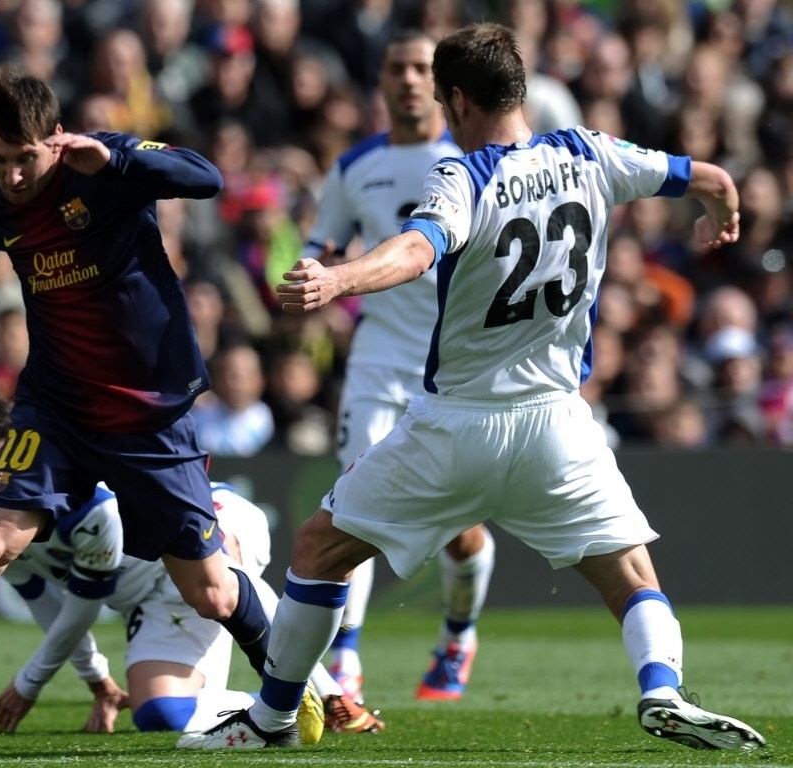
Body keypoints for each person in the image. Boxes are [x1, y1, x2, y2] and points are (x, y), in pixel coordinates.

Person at [179, 23, 767, 751]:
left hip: (458, 422)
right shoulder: (590, 152)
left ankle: (269, 721)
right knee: (631, 574)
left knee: (319, 550)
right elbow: (703, 175)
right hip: (559, 424)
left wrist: (338, 278)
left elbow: (415, 249)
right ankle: (662, 689)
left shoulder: (466, 175)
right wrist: (724, 206)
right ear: (519, 86)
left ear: (455, 98)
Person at [0, 63, 284, 736]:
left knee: (212, 592)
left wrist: (120, 156)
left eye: (24, 159)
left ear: (57, 138)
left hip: (145, 412)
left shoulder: (105, 170)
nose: (12, 174)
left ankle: (291, 688)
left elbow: (208, 178)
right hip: (55, 405)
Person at [0, 398, 383, 736]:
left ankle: (328, 694)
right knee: (159, 713)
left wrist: (29, 683)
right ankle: (275, 705)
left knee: (220, 566)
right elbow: (56, 614)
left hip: (209, 520)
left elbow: (84, 605)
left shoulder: (81, 499)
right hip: (153, 597)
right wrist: (100, 681)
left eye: (2, 462)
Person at [302, 28, 496, 705]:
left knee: (460, 532)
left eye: (422, 68)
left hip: (455, 366)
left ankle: (456, 637)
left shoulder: (473, 161)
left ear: (443, 86)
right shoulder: (355, 166)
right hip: (377, 362)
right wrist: (306, 275)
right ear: (381, 81)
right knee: (352, 506)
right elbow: (318, 245)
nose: (409, 79)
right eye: (397, 68)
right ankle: (347, 658)